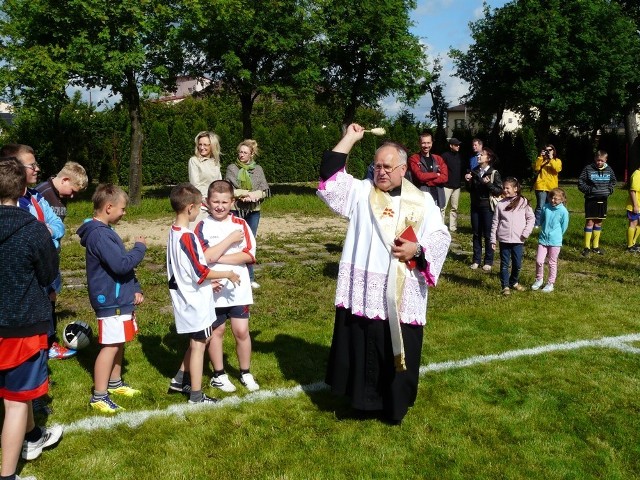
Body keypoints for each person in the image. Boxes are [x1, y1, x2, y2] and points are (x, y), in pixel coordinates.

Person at [317, 124, 450, 424]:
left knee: (397, 346)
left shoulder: (423, 202)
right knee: (363, 342)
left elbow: (441, 238)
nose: (381, 172)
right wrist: (350, 137)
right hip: (367, 285)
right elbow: (329, 175)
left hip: (402, 290)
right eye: (377, 166)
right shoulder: (362, 192)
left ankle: (393, 406)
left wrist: (417, 250)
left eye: (388, 167)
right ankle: (361, 403)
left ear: (403, 168)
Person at [0, 157, 63, 479]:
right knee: (15, 403)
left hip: (15, 325)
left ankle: (33, 435)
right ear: (25, 189)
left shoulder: (31, 230)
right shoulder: (33, 231)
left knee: (16, 399)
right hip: (20, 327)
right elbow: (49, 274)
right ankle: (9, 475)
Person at [166, 183, 241, 404]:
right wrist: (227, 273)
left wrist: (208, 282)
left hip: (188, 294)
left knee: (201, 338)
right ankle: (196, 397)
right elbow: (200, 271)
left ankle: (180, 379)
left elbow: (187, 269)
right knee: (199, 345)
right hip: (194, 299)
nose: (200, 211)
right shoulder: (187, 236)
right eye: (199, 207)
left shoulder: (174, 231)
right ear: (190, 208)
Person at [77, 184, 147, 413]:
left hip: (119, 298)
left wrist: (134, 288)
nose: (124, 213)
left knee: (119, 342)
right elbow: (121, 264)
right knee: (109, 346)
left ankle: (115, 383)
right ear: (108, 208)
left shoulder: (105, 231)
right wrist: (140, 248)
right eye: (122, 209)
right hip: (109, 300)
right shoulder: (99, 235)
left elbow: (122, 269)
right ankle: (99, 395)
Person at [196, 180, 260, 393]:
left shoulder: (240, 225)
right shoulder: (202, 226)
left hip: (238, 289)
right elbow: (202, 257)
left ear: (232, 202)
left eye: (225, 201)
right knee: (218, 331)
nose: (220, 206)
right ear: (207, 202)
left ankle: (245, 372)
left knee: (241, 331)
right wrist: (226, 250)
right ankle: (219, 374)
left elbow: (249, 255)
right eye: (215, 201)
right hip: (212, 288)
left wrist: (217, 256)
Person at [35, 162, 89, 363]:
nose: (72, 196)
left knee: (52, 294)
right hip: (41, 256)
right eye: (72, 191)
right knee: (45, 296)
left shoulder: (59, 195)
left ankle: (48, 340)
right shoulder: (42, 193)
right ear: (65, 179)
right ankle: (47, 343)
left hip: (52, 253)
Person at [225, 139, 270, 289]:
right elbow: (228, 188)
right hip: (236, 209)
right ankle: (233, 274)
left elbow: (265, 190)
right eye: (240, 152)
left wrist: (255, 195)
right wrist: (244, 193)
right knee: (235, 242)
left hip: (253, 211)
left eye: (245, 152)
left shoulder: (258, 169)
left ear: (251, 154)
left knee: (250, 243)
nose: (242, 155)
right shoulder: (232, 168)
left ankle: (250, 278)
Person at [490, 177, 535, 295]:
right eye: (503, 188)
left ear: (515, 189)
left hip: (518, 239)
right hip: (504, 239)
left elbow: (531, 218)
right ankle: (505, 286)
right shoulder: (500, 204)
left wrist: (525, 233)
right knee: (504, 264)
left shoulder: (523, 202)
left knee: (517, 264)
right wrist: (493, 239)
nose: (505, 190)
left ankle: (514, 282)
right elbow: (495, 222)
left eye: (507, 188)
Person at [465, 148, 503, 271]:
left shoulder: (493, 173)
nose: (478, 156)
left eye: (482, 155)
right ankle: (476, 260)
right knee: (476, 234)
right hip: (475, 205)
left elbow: (499, 191)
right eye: (478, 155)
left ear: (489, 158)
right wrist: (468, 181)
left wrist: (488, 184)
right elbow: (470, 190)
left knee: (488, 234)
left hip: (487, 207)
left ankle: (488, 261)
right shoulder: (474, 171)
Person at [577, 150, 616, 256]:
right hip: (591, 199)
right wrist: (589, 190)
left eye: (601, 161)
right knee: (590, 222)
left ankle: (595, 246)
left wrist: (609, 190)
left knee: (598, 222)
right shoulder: (588, 168)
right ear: (595, 159)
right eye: (598, 160)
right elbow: (581, 181)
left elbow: (613, 181)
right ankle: (586, 247)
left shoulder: (609, 169)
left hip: (603, 199)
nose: (599, 162)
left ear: (605, 160)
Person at [532, 188, 569, 293]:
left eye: (556, 199)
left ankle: (550, 283)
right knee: (539, 260)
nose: (553, 200)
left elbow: (564, 226)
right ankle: (539, 279)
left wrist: (557, 235)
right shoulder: (545, 207)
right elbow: (542, 220)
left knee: (552, 262)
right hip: (543, 239)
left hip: (555, 241)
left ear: (562, 199)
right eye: (551, 198)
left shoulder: (563, 211)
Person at [188, 131, 222, 225]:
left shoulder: (215, 162)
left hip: (215, 205)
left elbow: (219, 183)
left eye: (205, 145)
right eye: (200, 144)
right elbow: (195, 185)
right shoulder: (194, 161)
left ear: (212, 146)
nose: (202, 147)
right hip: (201, 206)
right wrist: (208, 203)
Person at [408, 131, 448, 208]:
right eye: (423, 143)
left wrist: (428, 181)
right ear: (419, 143)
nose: (426, 145)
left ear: (432, 143)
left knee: (436, 218)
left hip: (437, 195)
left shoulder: (438, 159)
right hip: (422, 196)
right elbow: (420, 176)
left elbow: (445, 177)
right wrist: (436, 174)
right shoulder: (414, 159)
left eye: (428, 143)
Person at [532, 144, 562, 227]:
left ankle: (548, 222)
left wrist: (551, 158)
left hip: (552, 187)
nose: (548, 151)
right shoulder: (541, 160)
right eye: (546, 150)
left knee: (550, 205)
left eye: (550, 150)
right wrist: (540, 157)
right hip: (541, 186)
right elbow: (536, 168)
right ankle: (537, 223)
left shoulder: (557, 160)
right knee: (540, 205)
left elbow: (557, 169)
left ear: (553, 151)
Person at [441, 137, 464, 232]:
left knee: (454, 207)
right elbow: (440, 169)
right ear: (451, 146)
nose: (458, 146)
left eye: (459, 145)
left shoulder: (460, 156)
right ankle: (440, 225)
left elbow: (462, 169)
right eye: (456, 145)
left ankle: (453, 227)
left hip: (457, 186)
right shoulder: (445, 156)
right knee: (443, 207)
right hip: (446, 186)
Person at [625, 165, 640, 252]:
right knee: (633, 223)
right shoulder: (637, 175)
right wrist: (635, 205)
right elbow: (632, 191)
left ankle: (633, 242)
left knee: (639, 224)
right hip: (634, 205)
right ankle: (629, 246)